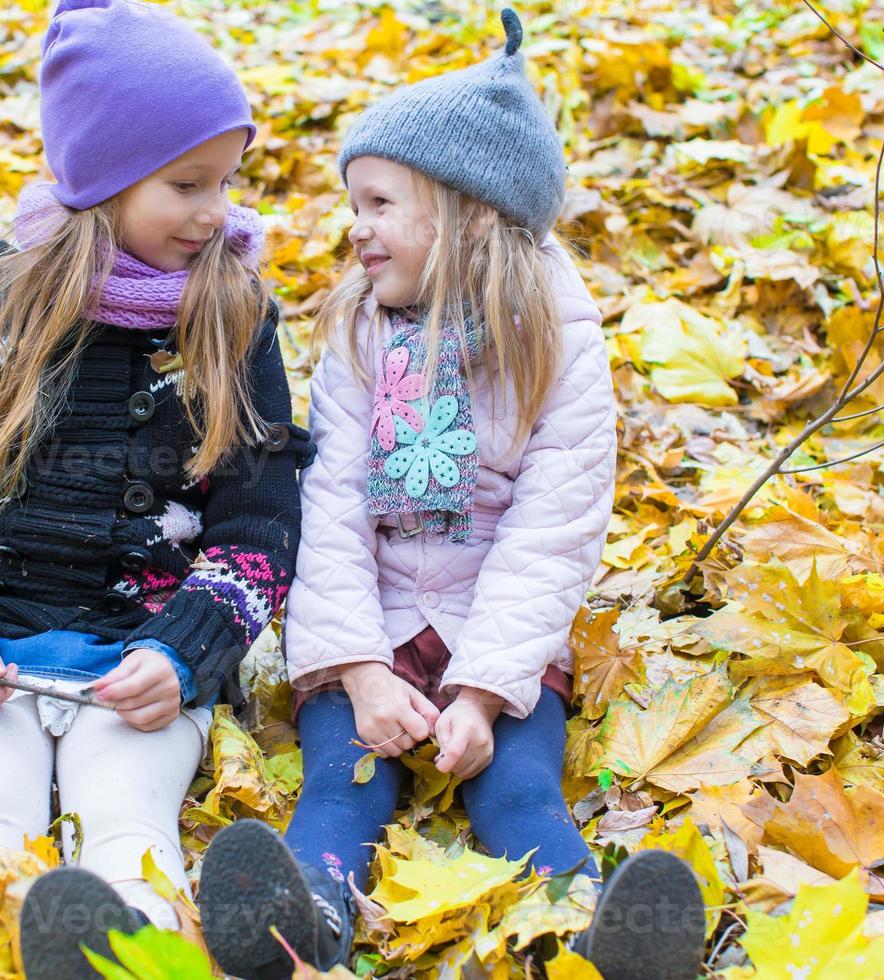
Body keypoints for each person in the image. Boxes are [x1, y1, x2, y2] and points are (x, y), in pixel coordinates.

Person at [194, 10, 705, 980]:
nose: (358, 228)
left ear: (470, 211)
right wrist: (355, 669)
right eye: (357, 203)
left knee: (517, 792)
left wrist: (482, 688)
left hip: (498, 627)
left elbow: (552, 532)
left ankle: (598, 933)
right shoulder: (357, 330)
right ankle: (299, 923)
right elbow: (330, 506)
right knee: (343, 789)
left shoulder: (558, 340)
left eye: (382, 202)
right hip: (373, 621)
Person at [0, 3, 311, 977]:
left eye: (227, 181)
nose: (218, 212)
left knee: (123, 816)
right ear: (100, 182)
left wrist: (188, 648)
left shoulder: (231, 316)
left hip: (142, 667)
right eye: (186, 184)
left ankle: (130, 950)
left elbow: (259, 521)